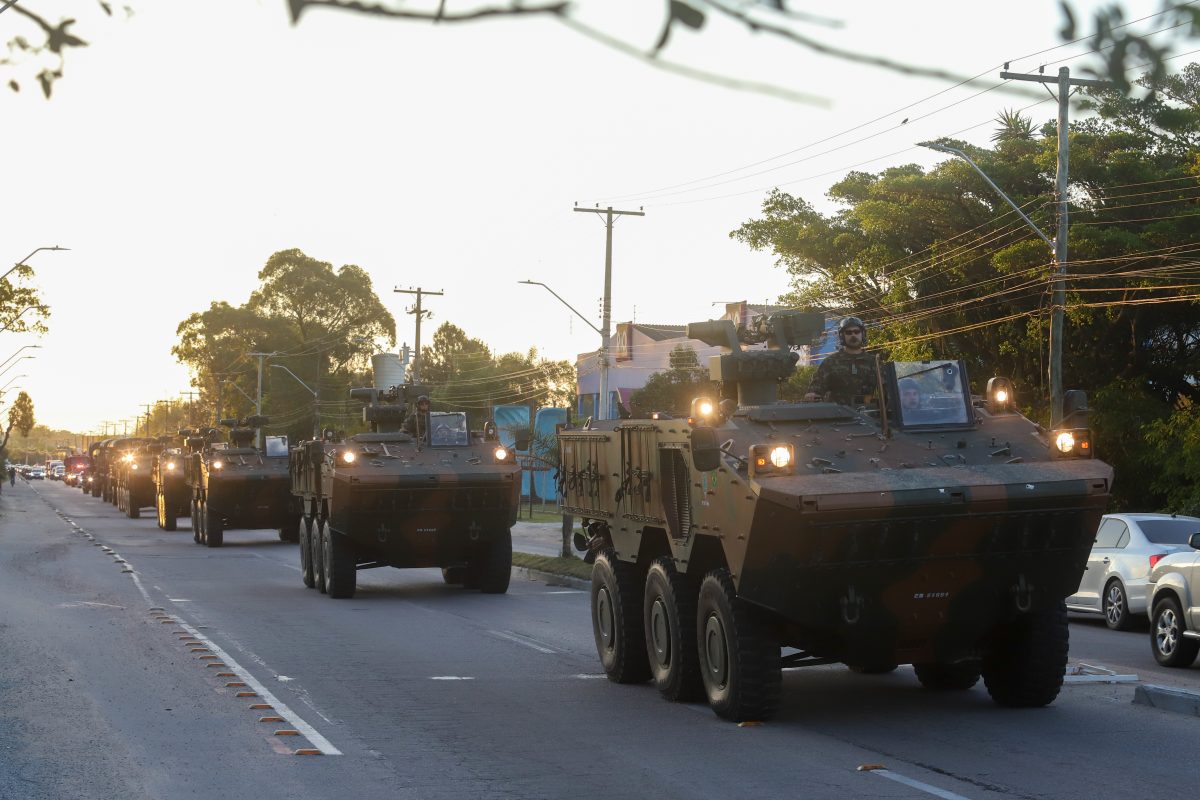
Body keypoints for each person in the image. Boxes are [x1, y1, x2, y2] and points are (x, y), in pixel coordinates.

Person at [804, 316, 878, 406]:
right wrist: (812, 395)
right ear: (842, 336)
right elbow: (815, 390)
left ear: (862, 334)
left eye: (856, 332)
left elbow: (889, 390)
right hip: (838, 416)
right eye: (848, 332)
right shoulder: (830, 362)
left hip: (869, 416)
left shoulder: (874, 362)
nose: (853, 335)